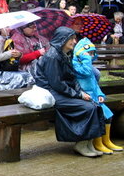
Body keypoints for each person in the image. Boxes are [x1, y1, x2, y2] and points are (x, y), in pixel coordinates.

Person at [34, 27, 105, 157]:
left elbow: (72, 78)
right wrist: (78, 95)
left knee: (94, 105)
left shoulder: (66, 54)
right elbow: (57, 84)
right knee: (87, 108)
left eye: (74, 38)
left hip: (63, 91)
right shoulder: (53, 56)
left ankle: (89, 143)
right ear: (63, 40)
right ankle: (81, 144)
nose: (74, 41)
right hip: (51, 93)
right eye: (71, 38)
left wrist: (81, 92)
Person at [72, 38, 123, 154]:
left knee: (108, 115)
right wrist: (85, 59)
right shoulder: (75, 64)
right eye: (87, 53)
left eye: (91, 54)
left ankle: (106, 141)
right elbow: (85, 72)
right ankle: (98, 143)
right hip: (85, 97)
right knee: (99, 115)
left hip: (95, 97)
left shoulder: (89, 66)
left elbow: (95, 85)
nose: (90, 56)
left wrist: (100, 94)